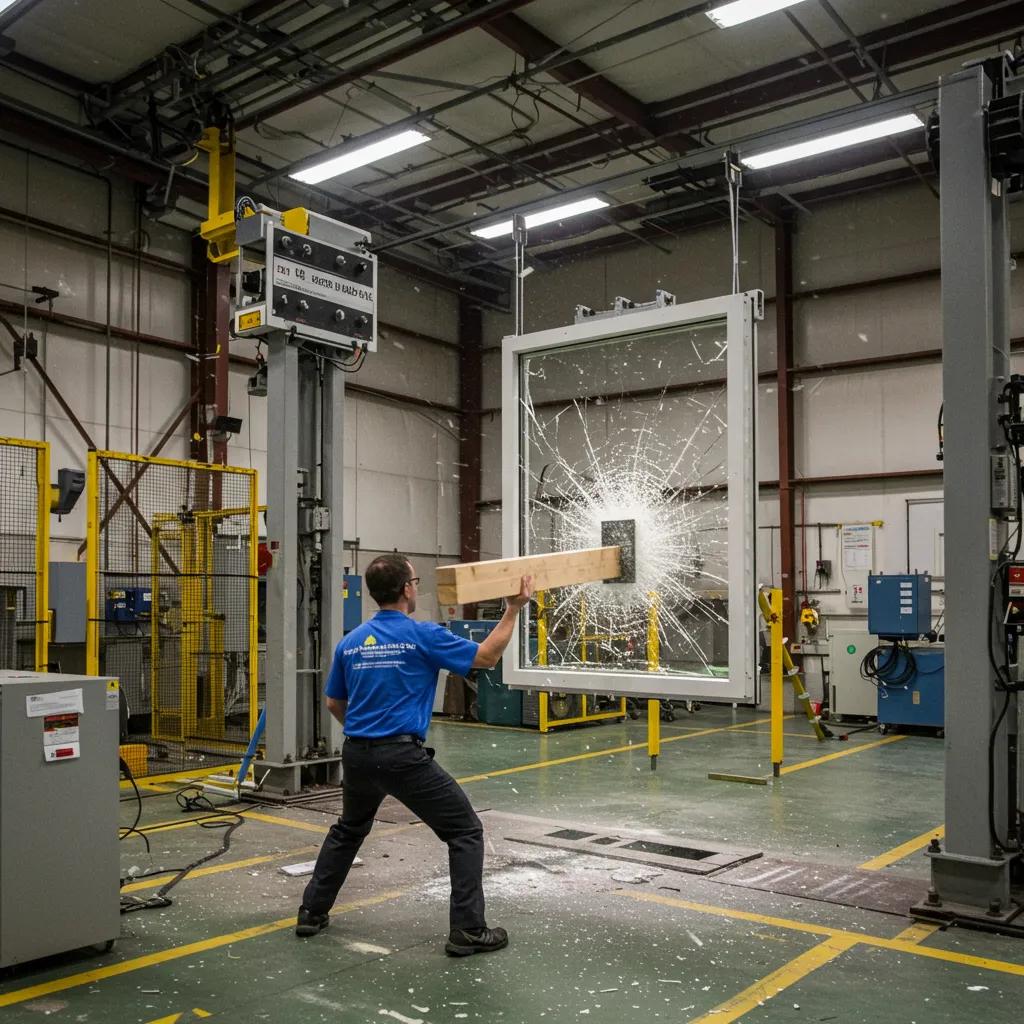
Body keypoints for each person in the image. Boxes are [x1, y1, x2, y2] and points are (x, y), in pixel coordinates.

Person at [295, 552, 533, 957]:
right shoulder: (421, 635)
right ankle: (468, 931)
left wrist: (366, 731)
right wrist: (513, 610)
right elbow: (486, 657)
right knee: (464, 832)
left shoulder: (351, 643)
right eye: (416, 582)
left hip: (356, 754)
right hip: (402, 757)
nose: (416, 588)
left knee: (349, 830)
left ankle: (311, 912)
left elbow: (334, 702)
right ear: (407, 589)